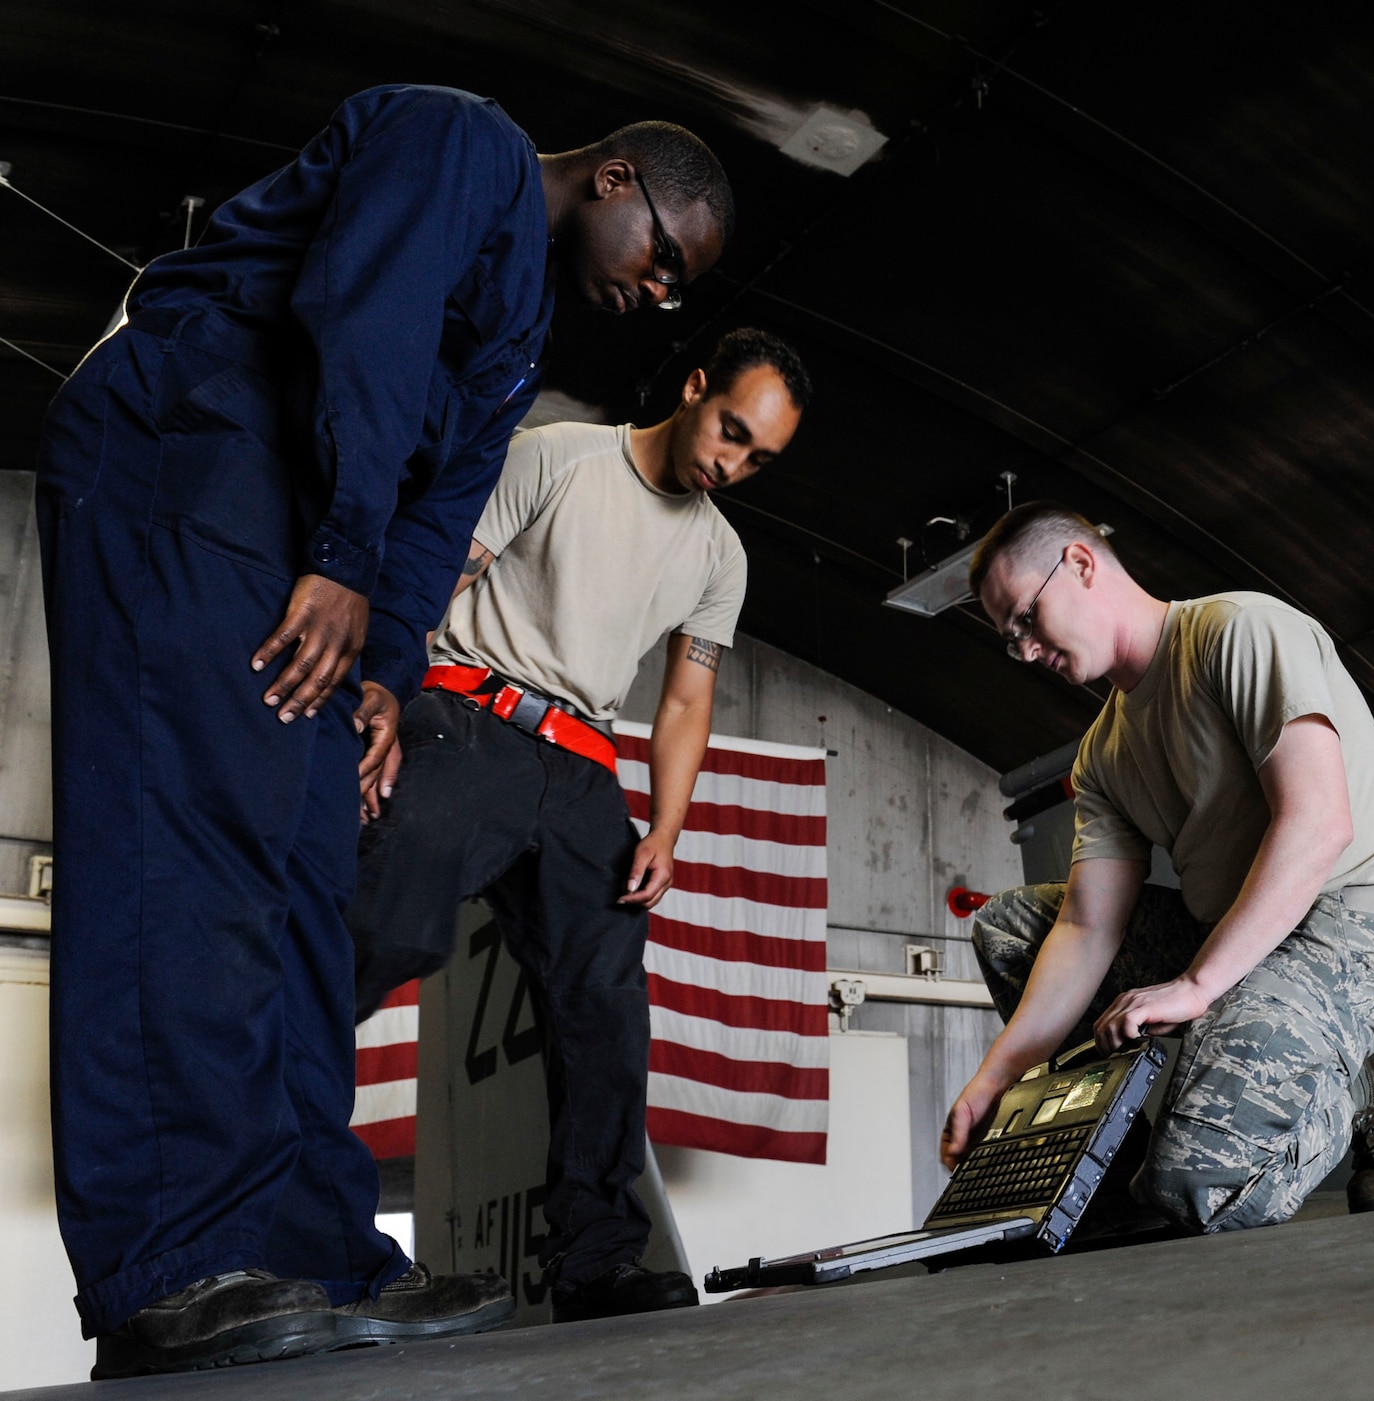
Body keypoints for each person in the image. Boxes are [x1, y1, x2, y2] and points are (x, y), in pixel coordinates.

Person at [34, 83, 734, 1377]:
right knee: (184, 852)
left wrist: (387, 668)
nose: (660, 293)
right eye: (667, 262)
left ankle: (313, 1243)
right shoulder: (462, 141)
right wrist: (344, 556)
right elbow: (367, 317)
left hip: (301, 525)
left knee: (306, 877)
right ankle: (167, 1262)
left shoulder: (525, 321)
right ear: (620, 182)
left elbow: (448, 492)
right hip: (182, 453)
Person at [346, 327, 810, 1322]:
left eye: (756, 459)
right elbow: (442, 581)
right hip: (471, 718)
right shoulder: (555, 455)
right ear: (693, 388)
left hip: (587, 771)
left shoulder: (719, 554)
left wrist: (666, 829)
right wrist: (384, 702)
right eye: (730, 432)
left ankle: (593, 1261)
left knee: (605, 1012)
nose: (730, 465)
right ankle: (255, 1171)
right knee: (378, 933)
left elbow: (686, 702)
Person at [940, 503, 1374, 1234]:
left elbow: (1319, 820)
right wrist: (994, 1078)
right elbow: (1086, 928)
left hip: (1347, 926)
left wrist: (1198, 984)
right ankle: (1109, 1171)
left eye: (1025, 619)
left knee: (1197, 1186)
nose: (1021, 650)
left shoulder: (1236, 631)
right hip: (1232, 939)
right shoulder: (1103, 754)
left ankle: (1369, 1081)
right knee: (1011, 927)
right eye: (1008, 637)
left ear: (1080, 564)